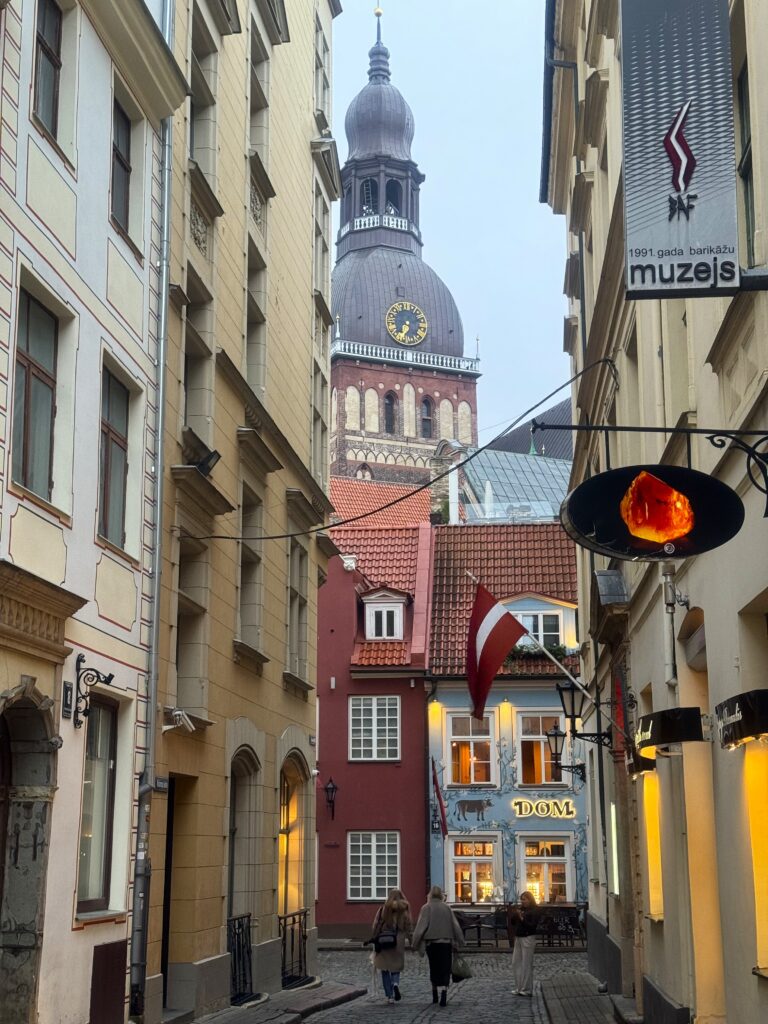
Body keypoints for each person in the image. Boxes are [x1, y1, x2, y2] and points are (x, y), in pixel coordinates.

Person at [412, 885, 464, 1007]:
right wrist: (460, 940)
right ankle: (444, 992)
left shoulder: (426, 908)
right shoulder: (447, 908)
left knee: (434, 967)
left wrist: (415, 943)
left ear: (430, 895)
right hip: (446, 943)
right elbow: (455, 925)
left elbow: (420, 927)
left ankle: (434, 992)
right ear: (441, 895)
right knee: (445, 968)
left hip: (432, 944)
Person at [371, 888, 413, 1004]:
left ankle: (389, 996)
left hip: (384, 940)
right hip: (398, 941)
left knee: (385, 968)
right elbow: (409, 926)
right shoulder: (404, 909)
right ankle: (395, 983)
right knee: (396, 966)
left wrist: (374, 936)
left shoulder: (383, 909)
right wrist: (411, 941)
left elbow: (376, 924)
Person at [510, 890, 540, 996]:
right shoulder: (522, 909)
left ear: (530, 900)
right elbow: (513, 922)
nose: (522, 901)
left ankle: (526, 989)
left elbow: (532, 926)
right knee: (516, 962)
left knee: (526, 963)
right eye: (521, 900)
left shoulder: (535, 910)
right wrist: (515, 915)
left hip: (528, 937)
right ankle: (518, 987)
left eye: (524, 899)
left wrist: (522, 918)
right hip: (519, 937)